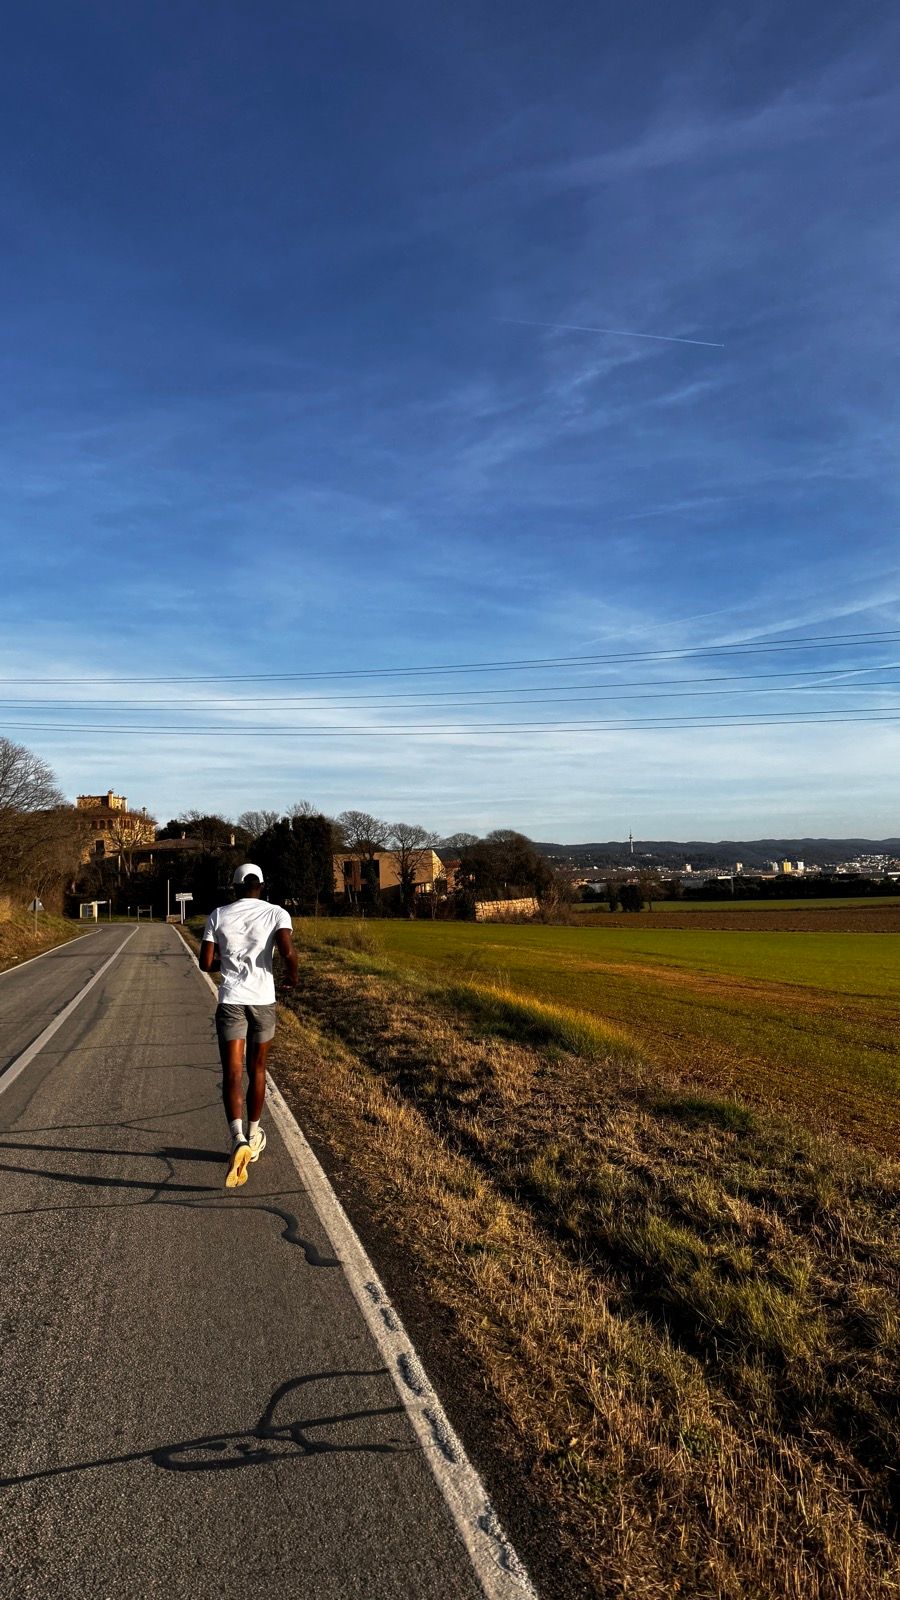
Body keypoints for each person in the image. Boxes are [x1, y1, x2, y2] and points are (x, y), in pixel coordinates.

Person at [200, 863, 298, 1188]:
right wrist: (293, 977)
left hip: (231, 1000)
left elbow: (205, 962)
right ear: (262, 886)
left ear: (234, 887)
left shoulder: (218, 915)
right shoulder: (277, 913)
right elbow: (287, 951)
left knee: (232, 1072)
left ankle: (238, 1138)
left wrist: (228, 960)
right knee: (258, 1070)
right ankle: (254, 1135)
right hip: (263, 1000)